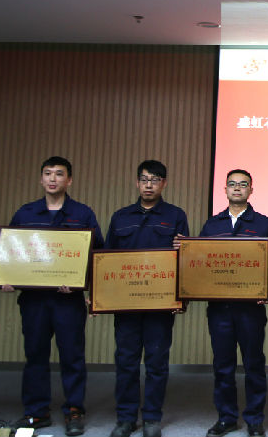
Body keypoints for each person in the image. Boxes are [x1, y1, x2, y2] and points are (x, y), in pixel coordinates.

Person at [4, 156, 104, 437]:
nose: (52, 179)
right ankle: (36, 411)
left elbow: (97, 254)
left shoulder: (82, 214)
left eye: (59, 174)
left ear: (69, 180)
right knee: (35, 354)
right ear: (41, 179)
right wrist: (7, 276)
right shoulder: (25, 214)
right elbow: (11, 251)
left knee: (72, 356)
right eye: (48, 173)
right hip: (34, 300)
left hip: (67, 300)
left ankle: (74, 410)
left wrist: (81, 283)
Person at [106, 160, 189, 437]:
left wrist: (181, 299)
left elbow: (185, 260)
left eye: (154, 180)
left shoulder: (175, 215)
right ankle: (126, 418)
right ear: (137, 183)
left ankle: (152, 417)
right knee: (126, 361)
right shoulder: (120, 217)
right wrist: (100, 298)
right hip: (127, 304)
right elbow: (105, 260)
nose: (149, 185)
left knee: (156, 362)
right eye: (144, 179)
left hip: (159, 304)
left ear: (164, 183)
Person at [198, 169, 268, 437]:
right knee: (223, 365)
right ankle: (226, 418)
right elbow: (199, 263)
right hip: (219, 309)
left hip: (251, 309)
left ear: (251, 190)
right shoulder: (212, 225)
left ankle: (255, 419)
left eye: (243, 184)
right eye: (232, 184)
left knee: (254, 364)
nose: (237, 188)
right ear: (224, 189)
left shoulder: (264, 224)